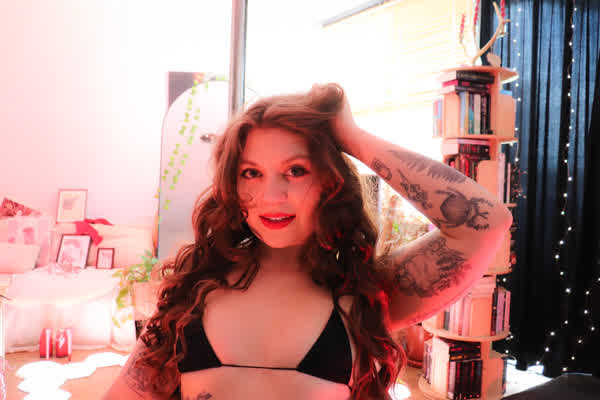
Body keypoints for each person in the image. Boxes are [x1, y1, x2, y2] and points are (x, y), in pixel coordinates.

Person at [103, 83, 512, 400]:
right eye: (251, 173)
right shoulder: (194, 290)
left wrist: (350, 136)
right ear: (232, 184)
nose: (271, 196)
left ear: (330, 182)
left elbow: (485, 222)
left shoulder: (367, 291)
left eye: (295, 170)